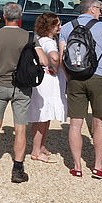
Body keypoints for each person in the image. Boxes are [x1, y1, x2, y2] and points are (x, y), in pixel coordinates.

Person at [59, 0, 102, 179]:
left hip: (76, 77)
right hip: (99, 77)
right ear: (92, 9)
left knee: (75, 123)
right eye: (99, 9)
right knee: (100, 122)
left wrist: (69, 77)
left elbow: (62, 58)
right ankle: (98, 166)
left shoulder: (67, 27)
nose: (100, 13)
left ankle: (77, 166)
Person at [0, 2, 30, 183]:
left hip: (1, 84)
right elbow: (41, 59)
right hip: (22, 86)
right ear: (19, 17)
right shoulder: (27, 36)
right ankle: (17, 168)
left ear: (4, 16)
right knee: (20, 128)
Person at [27, 12, 66, 163]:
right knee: (42, 116)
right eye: (57, 25)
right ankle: (36, 150)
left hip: (41, 80)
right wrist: (55, 67)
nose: (59, 27)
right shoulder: (49, 42)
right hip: (48, 81)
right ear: (49, 27)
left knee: (43, 115)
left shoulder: (39, 39)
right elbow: (55, 57)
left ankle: (41, 145)